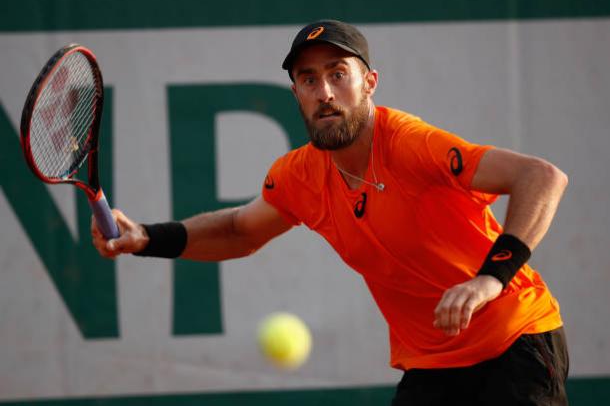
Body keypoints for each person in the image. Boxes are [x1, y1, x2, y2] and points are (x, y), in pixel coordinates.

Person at [91, 20, 570, 405]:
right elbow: (240, 231)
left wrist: (490, 279)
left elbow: (542, 177)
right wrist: (147, 238)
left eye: (338, 74)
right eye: (308, 78)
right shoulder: (299, 175)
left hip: (514, 341)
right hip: (432, 364)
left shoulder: (410, 144)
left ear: (369, 83)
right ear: (296, 94)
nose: (325, 92)